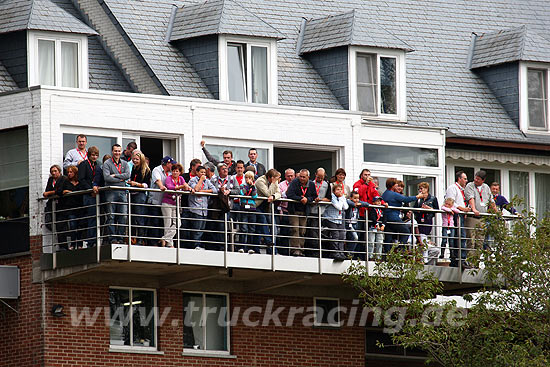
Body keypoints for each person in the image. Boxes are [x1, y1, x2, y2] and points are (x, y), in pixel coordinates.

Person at [381, 178, 426, 252]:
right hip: (393, 217)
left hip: (387, 218)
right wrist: (417, 197)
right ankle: (400, 249)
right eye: (396, 184)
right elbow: (406, 199)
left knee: (388, 236)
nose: (397, 185)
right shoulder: (392, 194)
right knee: (405, 231)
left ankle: (387, 255)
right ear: (392, 185)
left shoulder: (386, 193)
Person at [102, 144, 131, 244]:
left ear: (121, 151)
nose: (117, 153)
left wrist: (115, 176)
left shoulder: (125, 163)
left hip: (122, 192)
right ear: (112, 151)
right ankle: (112, 238)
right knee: (111, 216)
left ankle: (120, 238)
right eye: (115, 151)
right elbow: (107, 178)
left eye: (119, 151)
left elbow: (128, 175)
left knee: (123, 216)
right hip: (111, 192)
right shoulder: (107, 163)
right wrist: (121, 179)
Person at [286, 169, 317, 257]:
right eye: (300, 176)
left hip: (304, 210)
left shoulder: (311, 184)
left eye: (304, 177)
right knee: (295, 229)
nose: (302, 178)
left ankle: (301, 249)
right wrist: (300, 199)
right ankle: (295, 249)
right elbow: (289, 194)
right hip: (294, 210)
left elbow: (314, 196)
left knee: (302, 230)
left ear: (308, 177)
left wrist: (307, 199)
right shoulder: (294, 182)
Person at [465, 170, 497, 253]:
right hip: (472, 217)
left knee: (480, 242)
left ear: (483, 180)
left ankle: (477, 262)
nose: (476, 180)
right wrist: (474, 209)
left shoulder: (486, 187)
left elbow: (491, 200)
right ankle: (470, 262)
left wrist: (496, 212)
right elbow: (471, 198)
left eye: (478, 179)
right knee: (471, 241)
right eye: (475, 178)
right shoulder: (470, 185)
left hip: (483, 218)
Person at [444, 170, 471, 267]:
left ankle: (461, 259)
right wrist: (462, 208)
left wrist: (465, 210)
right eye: (464, 179)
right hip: (455, 215)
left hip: (461, 215)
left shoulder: (462, 190)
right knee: (458, 237)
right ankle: (457, 260)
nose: (466, 181)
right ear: (459, 179)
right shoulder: (452, 188)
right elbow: (451, 202)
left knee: (461, 237)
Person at [161, 163, 191, 248]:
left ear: (180, 172)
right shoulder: (168, 178)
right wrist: (181, 186)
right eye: (173, 171)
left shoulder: (181, 178)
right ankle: (170, 244)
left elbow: (186, 186)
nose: (175, 173)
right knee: (167, 223)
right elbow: (169, 187)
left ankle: (165, 239)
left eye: (177, 171)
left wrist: (188, 188)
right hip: (167, 203)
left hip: (176, 204)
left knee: (178, 223)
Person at [188, 165, 216, 249]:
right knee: (196, 229)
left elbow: (214, 190)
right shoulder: (193, 180)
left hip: (204, 208)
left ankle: (199, 245)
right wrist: (200, 180)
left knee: (202, 228)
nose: (203, 174)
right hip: (196, 208)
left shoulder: (207, 181)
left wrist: (203, 191)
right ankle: (195, 245)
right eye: (201, 172)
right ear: (197, 173)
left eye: (204, 172)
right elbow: (196, 189)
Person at [149, 156, 175, 246]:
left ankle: (163, 241)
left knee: (164, 223)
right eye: (172, 164)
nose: (173, 165)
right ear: (167, 164)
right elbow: (157, 180)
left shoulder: (170, 173)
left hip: (165, 202)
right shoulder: (157, 170)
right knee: (155, 222)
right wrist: (161, 186)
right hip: (155, 201)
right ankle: (154, 243)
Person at [254, 169, 281, 253]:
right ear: (270, 177)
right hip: (257, 206)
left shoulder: (274, 180)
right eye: (275, 179)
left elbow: (279, 193)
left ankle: (270, 250)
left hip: (267, 207)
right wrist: (273, 184)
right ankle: (270, 245)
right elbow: (267, 193)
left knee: (272, 229)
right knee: (263, 224)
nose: (277, 181)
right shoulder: (260, 181)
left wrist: (273, 196)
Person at [77, 146, 100, 247]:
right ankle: (90, 241)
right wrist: (91, 189)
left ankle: (94, 239)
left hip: (96, 194)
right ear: (88, 155)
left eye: (96, 155)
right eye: (92, 155)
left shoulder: (97, 165)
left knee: (96, 218)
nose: (94, 157)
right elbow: (81, 179)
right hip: (88, 194)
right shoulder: (84, 164)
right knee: (91, 217)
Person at [128, 151, 152, 246]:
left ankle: (140, 239)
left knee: (140, 217)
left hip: (140, 195)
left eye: (137, 159)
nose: (135, 161)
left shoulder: (146, 169)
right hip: (132, 194)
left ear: (141, 160)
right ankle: (134, 238)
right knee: (133, 218)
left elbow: (146, 185)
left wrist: (136, 184)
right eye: (134, 159)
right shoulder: (134, 168)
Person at [56, 166, 83, 250]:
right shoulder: (66, 182)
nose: (69, 174)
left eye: (71, 172)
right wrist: (65, 191)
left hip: (80, 207)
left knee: (80, 226)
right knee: (72, 225)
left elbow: (82, 190)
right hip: (70, 207)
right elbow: (59, 191)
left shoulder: (80, 182)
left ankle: (79, 243)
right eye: (68, 172)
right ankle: (72, 243)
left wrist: (70, 192)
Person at [306, 168, 330, 257]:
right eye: (318, 177)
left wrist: (321, 199)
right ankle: (310, 251)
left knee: (316, 232)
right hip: (310, 210)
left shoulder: (326, 184)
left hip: (320, 212)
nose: (320, 179)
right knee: (310, 231)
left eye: (322, 177)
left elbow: (329, 198)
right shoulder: (311, 183)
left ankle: (316, 251)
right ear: (315, 174)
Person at [323, 185, 349, 261]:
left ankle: (341, 252)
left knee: (342, 234)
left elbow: (346, 207)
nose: (339, 191)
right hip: (330, 218)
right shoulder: (332, 197)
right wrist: (341, 198)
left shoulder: (342, 197)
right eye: (337, 189)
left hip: (339, 219)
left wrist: (342, 198)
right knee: (335, 234)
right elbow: (339, 207)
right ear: (334, 191)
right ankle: (335, 252)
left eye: (341, 189)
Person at [236, 171, 258, 253]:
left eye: (250, 178)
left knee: (251, 228)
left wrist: (252, 187)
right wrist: (247, 187)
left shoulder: (254, 187)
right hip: (243, 208)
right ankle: (242, 246)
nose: (248, 179)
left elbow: (255, 196)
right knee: (244, 228)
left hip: (252, 209)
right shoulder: (242, 186)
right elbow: (242, 193)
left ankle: (250, 247)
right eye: (246, 178)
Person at [345, 191, 369, 259]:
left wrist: (359, 203)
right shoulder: (349, 202)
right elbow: (348, 202)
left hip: (355, 223)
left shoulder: (358, 203)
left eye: (358, 198)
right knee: (355, 238)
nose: (357, 200)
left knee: (353, 239)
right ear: (351, 198)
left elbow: (367, 204)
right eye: (355, 198)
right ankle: (350, 254)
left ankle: (350, 253)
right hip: (348, 223)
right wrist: (354, 204)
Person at [277, 168, 295, 255]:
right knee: (284, 232)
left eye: (292, 176)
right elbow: (279, 195)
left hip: (294, 211)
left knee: (294, 232)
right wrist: (287, 192)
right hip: (284, 210)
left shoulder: (297, 184)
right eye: (288, 176)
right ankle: (284, 252)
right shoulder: (281, 184)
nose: (290, 177)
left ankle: (293, 251)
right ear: (285, 176)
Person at [43, 164, 62, 232]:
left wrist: (49, 193)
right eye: (52, 171)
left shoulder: (63, 178)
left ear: (59, 171)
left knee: (60, 225)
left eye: (55, 171)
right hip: (51, 204)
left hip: (60, 205)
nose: (53, 173)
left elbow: (60, 191)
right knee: (48, 222)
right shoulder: (51, 179)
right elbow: (46, 190)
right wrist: (50, 193)